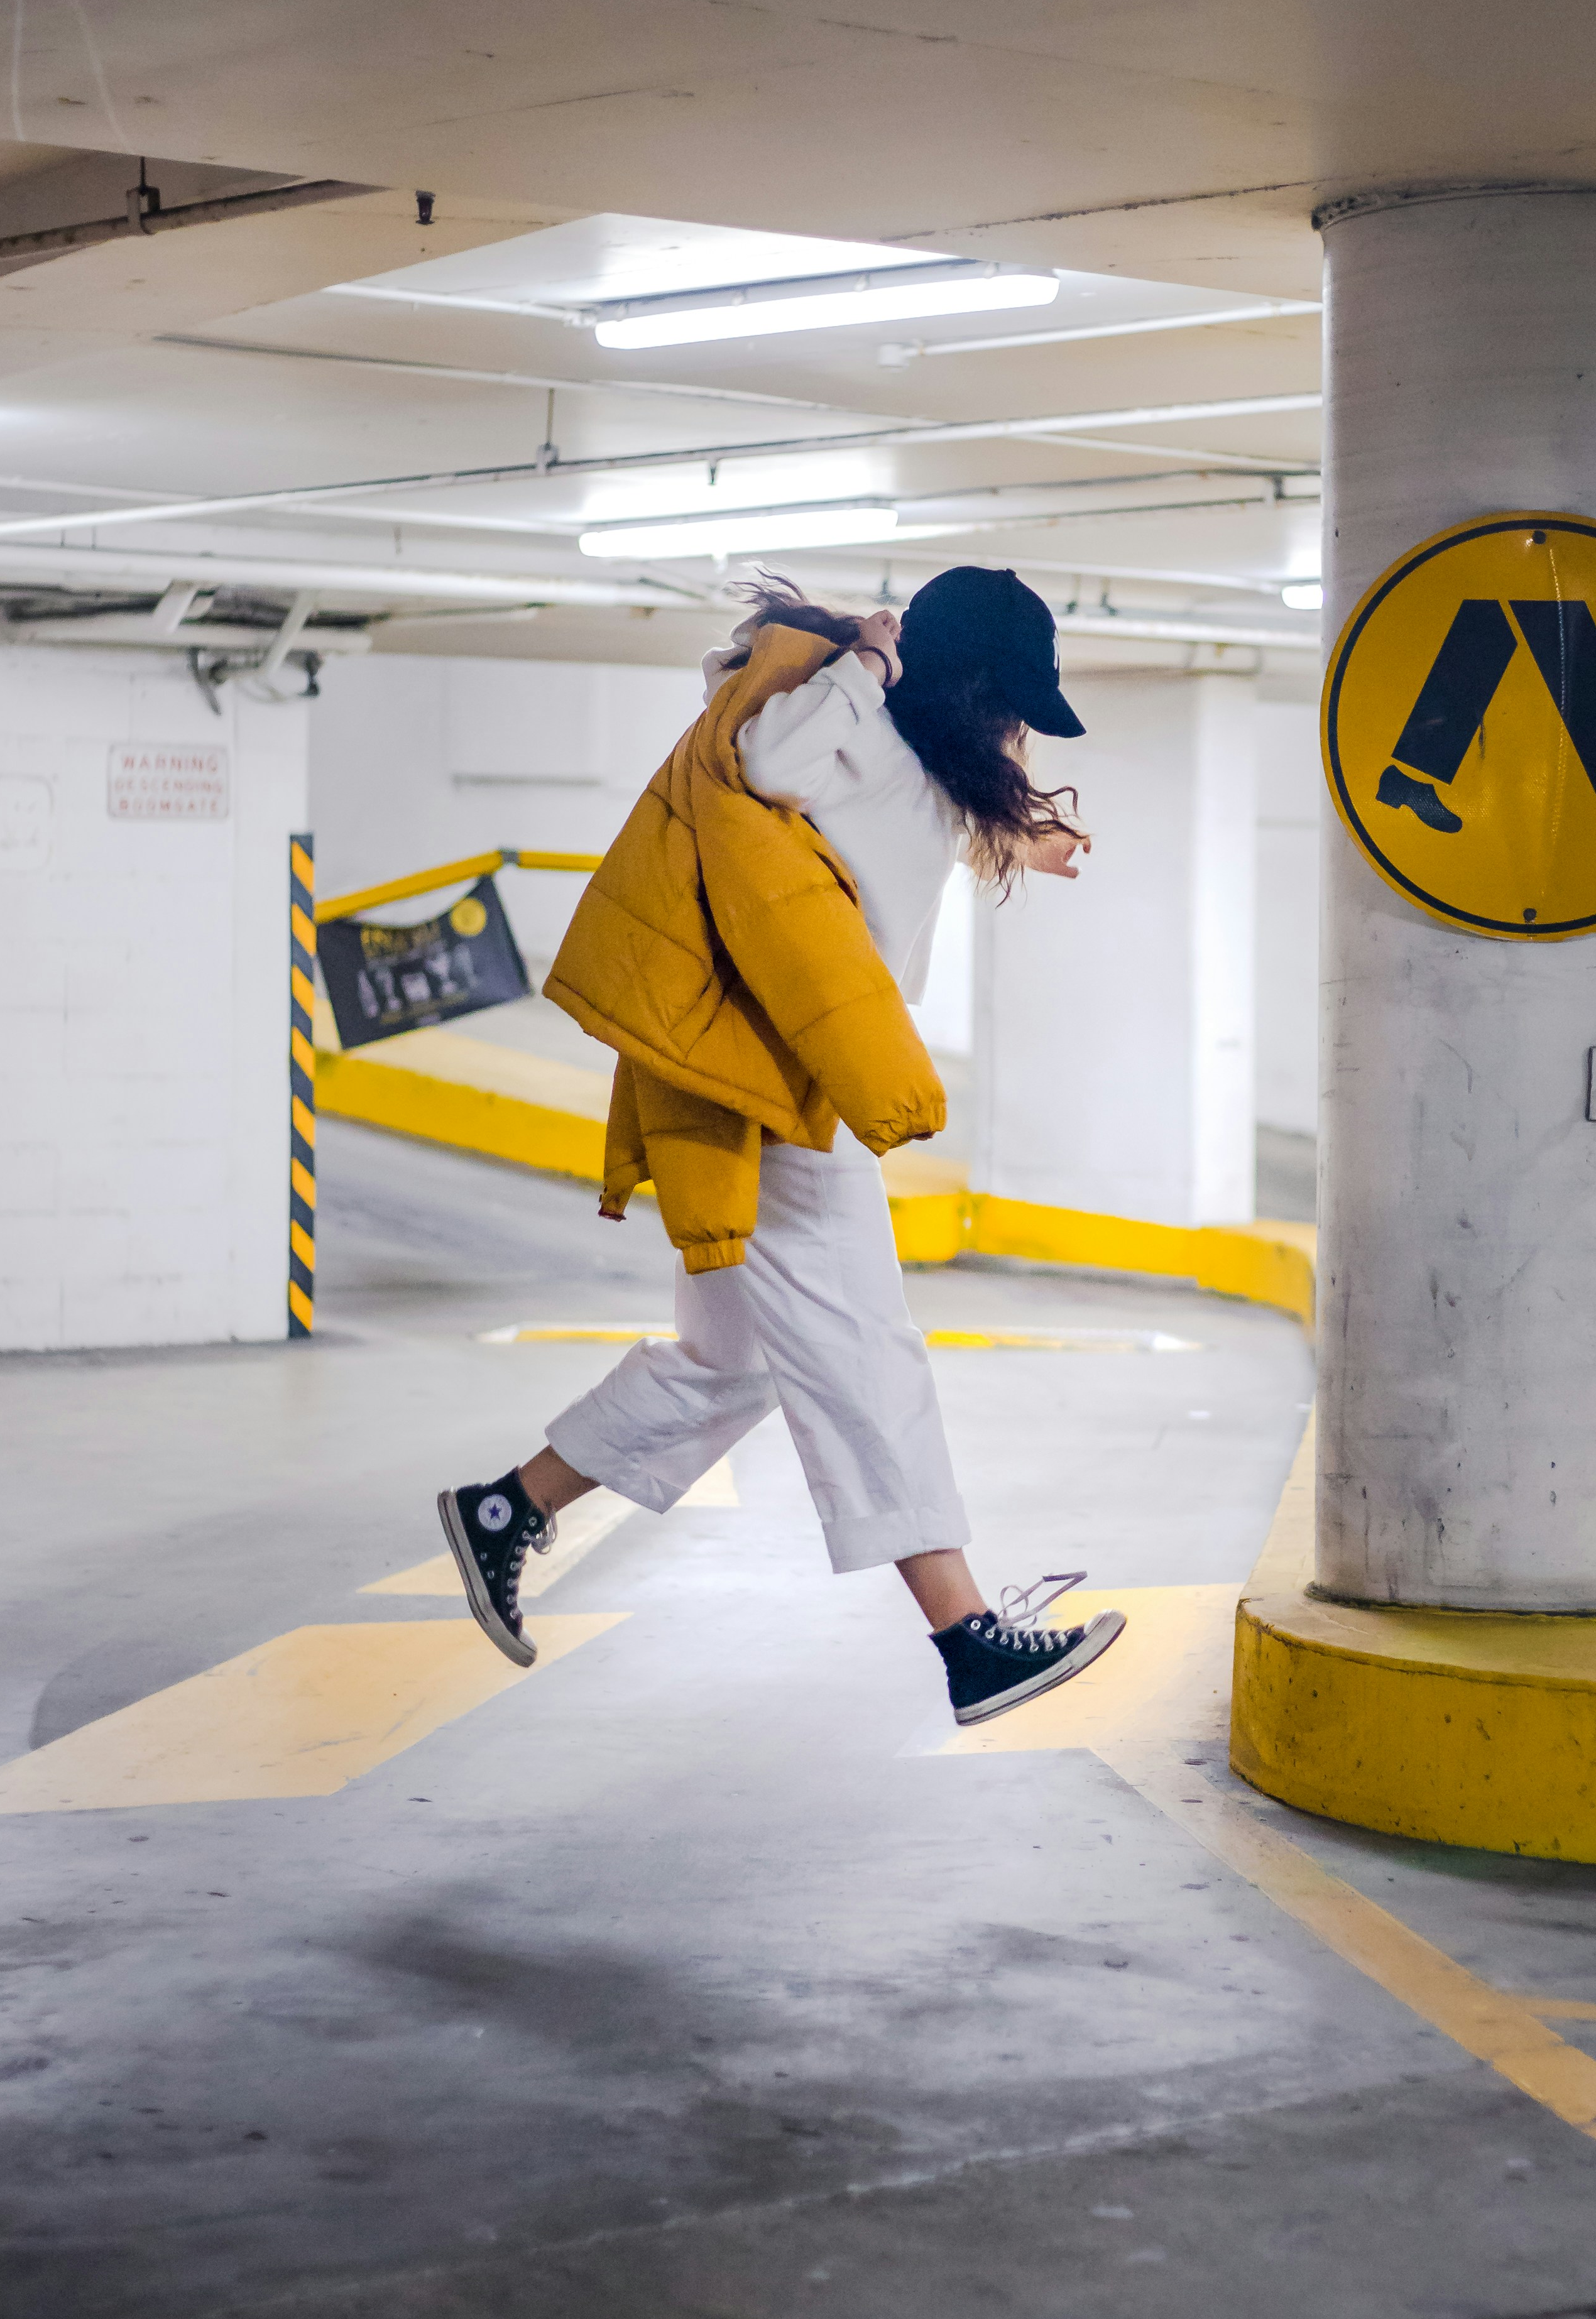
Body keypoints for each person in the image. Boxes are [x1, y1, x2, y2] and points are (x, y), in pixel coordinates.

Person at [435, 565, 1125, 1731]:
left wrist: (1023, 843)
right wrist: (865, 656)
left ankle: (509, 1509)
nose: (1013, 732)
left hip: (784, 1079)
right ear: (952, 685)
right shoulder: (839, 722)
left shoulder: (916, 769)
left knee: (734, 1364)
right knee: (867, 1352)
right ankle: (966, 1639)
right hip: (781, 1090)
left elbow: (871, 847)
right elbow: (767, 762)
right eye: (1006, 706)